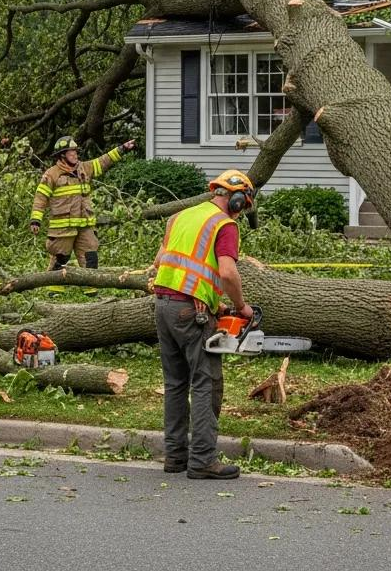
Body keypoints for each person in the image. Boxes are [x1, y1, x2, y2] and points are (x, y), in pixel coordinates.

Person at [151, 169, 256, 480]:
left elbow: (162, 263)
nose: (242, 212)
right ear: (237, 199)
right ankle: (203, 460)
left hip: (163, 306)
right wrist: (240, 306)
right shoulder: (224, 225)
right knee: (204, 383)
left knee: (175, 384)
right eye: (244, 205)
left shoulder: (180, 217)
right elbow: (226, 273)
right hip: (188, 314)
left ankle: (175, 456)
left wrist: (209, 298)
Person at [29, 135, 135, 269]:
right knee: (60, 260)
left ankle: (91, 290)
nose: (75, 154)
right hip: (63, 229)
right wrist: (35, 220)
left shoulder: (84, 168)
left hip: (85, 226)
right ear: (62, 155)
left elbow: (103, 161)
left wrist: (122, 149)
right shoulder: (51, 174)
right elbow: (40, 198)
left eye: (75, 151)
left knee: (90, 259)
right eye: (71, 151)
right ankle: (53, 290)